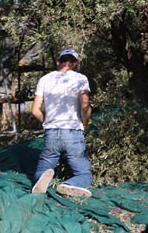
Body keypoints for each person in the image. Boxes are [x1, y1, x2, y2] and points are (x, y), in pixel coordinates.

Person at [31, 48, 93, 197]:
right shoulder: (80, 79)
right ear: (75, 63)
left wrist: (47, 122)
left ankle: (40, 180)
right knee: (84, 174)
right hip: (72, 132)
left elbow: (35, 110)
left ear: (58, 61)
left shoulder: (44, 79)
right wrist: (84, 123)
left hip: (51, 132)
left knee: (42, 168)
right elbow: (85, 106)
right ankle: (69, 184)